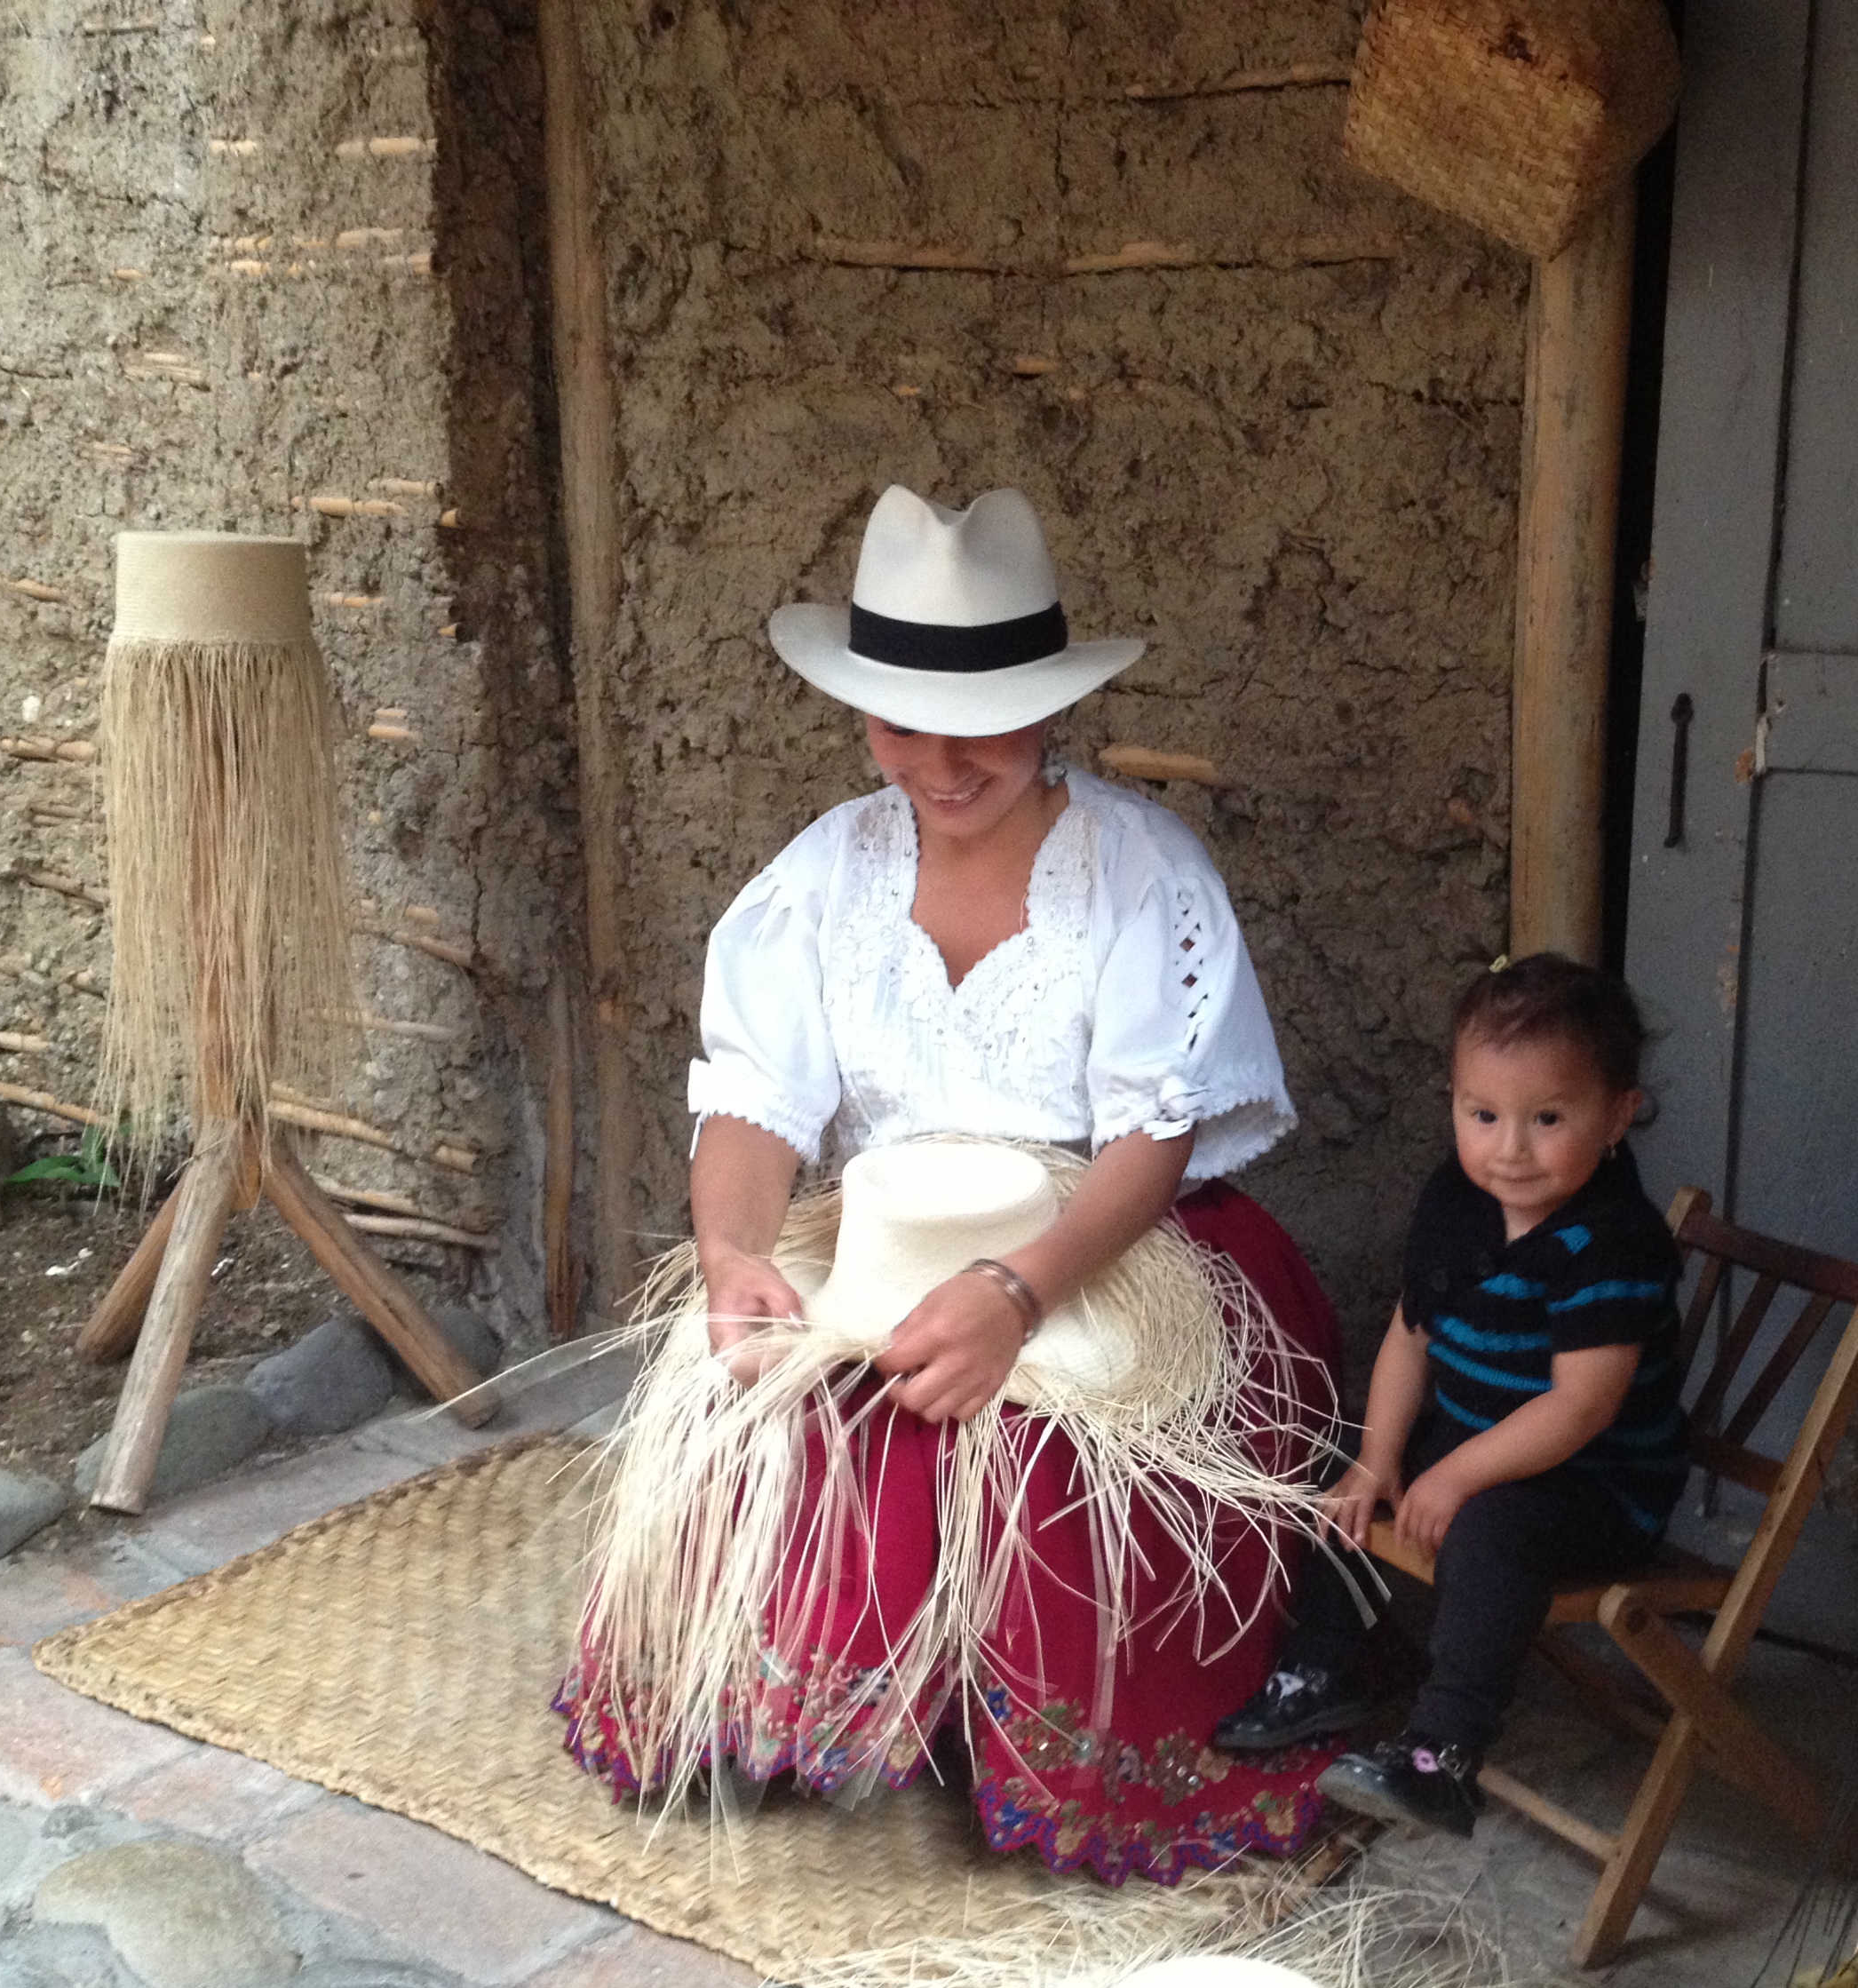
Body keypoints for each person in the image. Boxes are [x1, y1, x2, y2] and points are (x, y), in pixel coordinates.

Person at [558, 484, 1339, 1885]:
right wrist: (736, 1251)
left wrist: (1016, 1295)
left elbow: (1151, 1145)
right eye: (902, 722)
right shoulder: (823, 879)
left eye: (982, 722)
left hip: (1109, 1242)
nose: (941, 757)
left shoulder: (1139, 875)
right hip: (896, 1235)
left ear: (1051, 707)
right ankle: (803, 1702)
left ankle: (1020, 1738)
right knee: (770, 1398)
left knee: (1048, 1453)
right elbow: (752, 1100)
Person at [1211, 955, 1685, 1836]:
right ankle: (1319, 1670)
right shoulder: (1458, 1202)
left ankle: (1443, 1754)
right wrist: (1384, 1456)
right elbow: (1409, 1331)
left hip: (1595, 1485)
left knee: (1493, 1528)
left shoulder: (1612, 1243)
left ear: (1620, 1113)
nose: (1510, 1148)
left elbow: (1582, 1407)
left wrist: (1458, 1474)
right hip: (1474, 1442)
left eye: (1549, 1118)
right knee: (1346, 1469)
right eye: (1484, 1115)